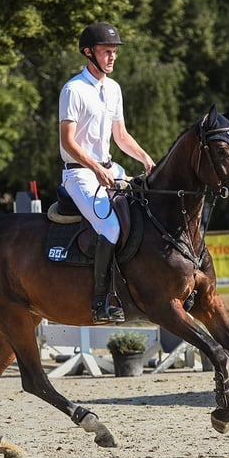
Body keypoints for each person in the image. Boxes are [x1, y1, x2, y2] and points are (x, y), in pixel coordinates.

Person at [58, 22, 155, 324]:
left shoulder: (113, 89)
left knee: (145, 212)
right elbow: (67, 142)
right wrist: (96, 168)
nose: (112, 57)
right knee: (111, 228)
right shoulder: (73, 89)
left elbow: (121, 136)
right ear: (89, 53)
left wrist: (147, 160)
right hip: (80, 175)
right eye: (106, 52)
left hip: (111, 168)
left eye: (114, 52)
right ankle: (100, 302)